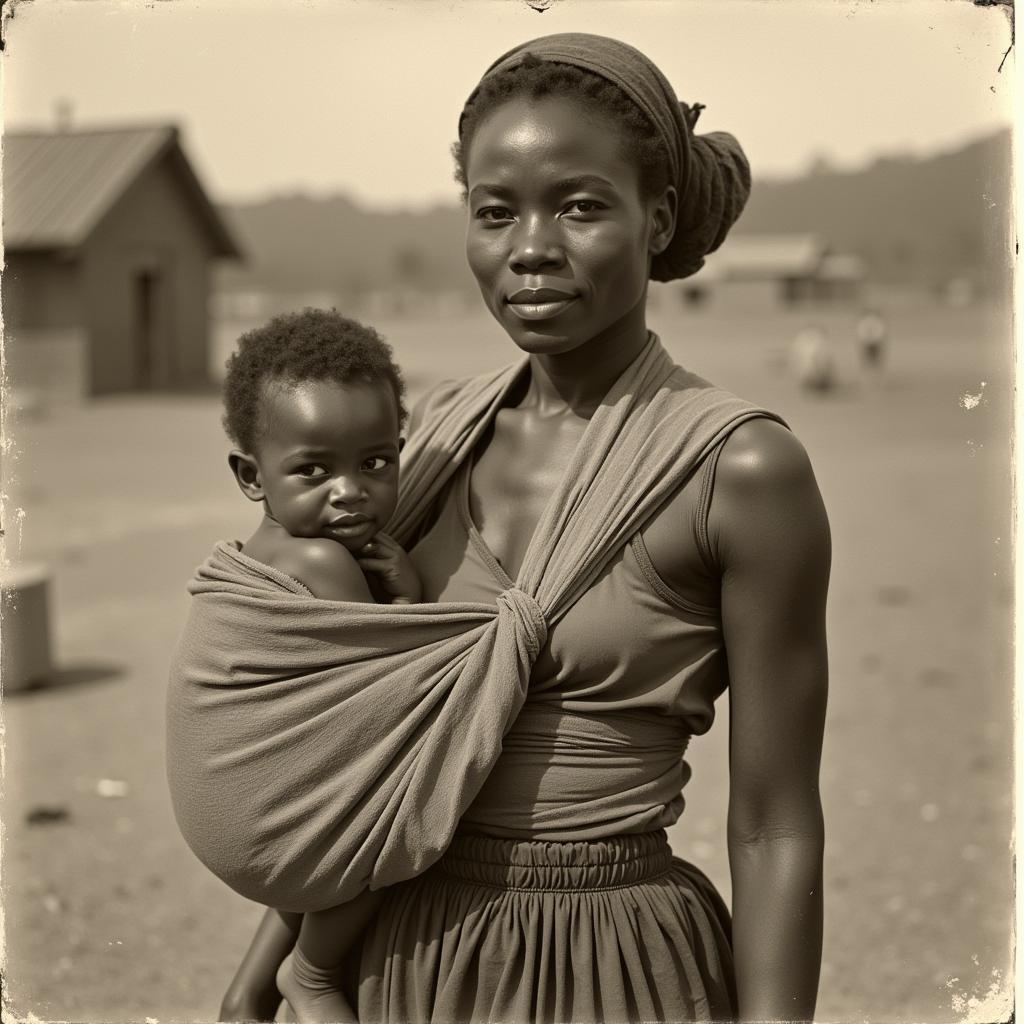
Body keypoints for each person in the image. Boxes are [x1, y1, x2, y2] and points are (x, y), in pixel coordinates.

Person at [218, 32, 830, 1023]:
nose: (531, 247)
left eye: (580, 205)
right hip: (402, 960)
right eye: (494, 212)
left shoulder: (740, 471)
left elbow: (772, 824)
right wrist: (256, 986)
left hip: (615, 962)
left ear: (656, 216)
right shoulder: (424, 452)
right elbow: (375, 759)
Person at [215, 308, 422, 1022]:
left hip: (254, 813)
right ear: (251, 475)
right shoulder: (321, 561)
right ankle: (313, 972)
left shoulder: (260, 551)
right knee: (410, 799)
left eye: (375, 462)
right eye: (313, 469)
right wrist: (413, 599)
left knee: (345, 792)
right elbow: (406, 699)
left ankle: (246, 994)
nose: (350, 490)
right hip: (286, 823)